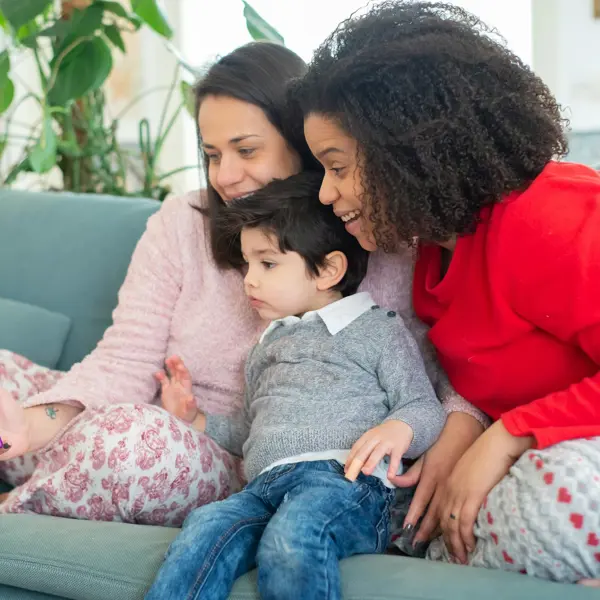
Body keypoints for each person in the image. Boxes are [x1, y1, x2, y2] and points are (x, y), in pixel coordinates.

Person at [0, 41, 483, 525]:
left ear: (304, 141)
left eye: (246, 150)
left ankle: (24, 500)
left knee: (126, 440)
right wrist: (35, 421)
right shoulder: (181, 222)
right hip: (142, 416)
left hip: (225, 458)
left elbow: (443, 373)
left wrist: (451, 449)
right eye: (212, 154)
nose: (226, 176)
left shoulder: (369, 231)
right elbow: (124, 359)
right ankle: (56, 469)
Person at [294, 0, 600, 585]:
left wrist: (511, 436)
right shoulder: (432, 255)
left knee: (552, 502)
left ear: (407, 153)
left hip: (564, 474)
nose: (327, 196)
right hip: (538, 469)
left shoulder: (545, 216)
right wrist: (469, 428)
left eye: (338, 167)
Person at [146, 172, 446, 600]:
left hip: (343, 482)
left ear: (328, 269)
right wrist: (195, 419)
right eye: (248, 264)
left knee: (294, 536)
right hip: (263, 487)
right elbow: (250, 430)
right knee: (203, 529)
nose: (249, 279)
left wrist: (399, 428)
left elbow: (422, 405)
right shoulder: (266, 345)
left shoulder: (377, 329)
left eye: (267, 263)